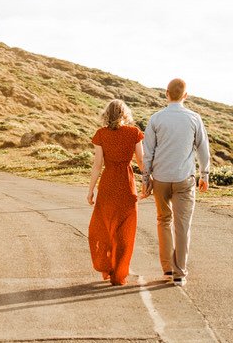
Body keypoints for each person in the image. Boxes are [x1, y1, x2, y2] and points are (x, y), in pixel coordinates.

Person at [142, 78, 210, 286]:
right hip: (184, 179)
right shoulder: (194, 118)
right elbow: (202, 149)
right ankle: (180, 273)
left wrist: (146, 178)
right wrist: (204, 175)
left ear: (166, 94)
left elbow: (148, 152)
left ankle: (167, 270)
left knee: (163, 221)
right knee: (182, 225)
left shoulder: (156, 118)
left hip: (160, 178)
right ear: (185, 96)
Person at [86, 99, 147, 286]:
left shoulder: (101, 134)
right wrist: (147, 182)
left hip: (108, 184)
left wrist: (90, 191)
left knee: (103, 226)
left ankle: (108, 265)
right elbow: (142, 162)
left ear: (106, 114)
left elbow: (97, 166)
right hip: (127, 185)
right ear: (125, 114)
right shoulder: (134, 133)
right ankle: (120, 271)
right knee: (125, 229)